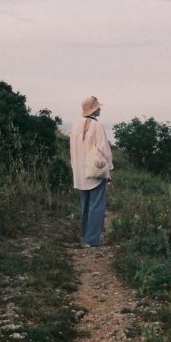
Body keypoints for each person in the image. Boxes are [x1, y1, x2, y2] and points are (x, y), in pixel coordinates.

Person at [69, 96, 113, 247]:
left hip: (80, 173)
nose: (100, 109)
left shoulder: (74, 127)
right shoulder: (97, 126)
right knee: (96, 205)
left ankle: (85, 236)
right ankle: (92, 240)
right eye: (98, 107)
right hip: (95, 171)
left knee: (85, 206)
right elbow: (104, 150)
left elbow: (72, 151)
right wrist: (109, 169)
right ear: (94, 109)